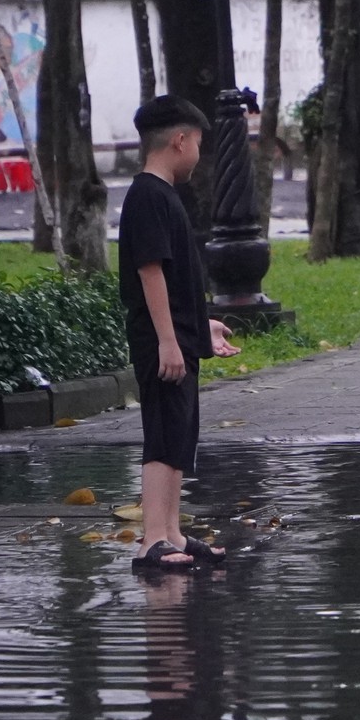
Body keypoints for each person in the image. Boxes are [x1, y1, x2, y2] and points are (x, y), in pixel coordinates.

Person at [122, 95, 241, 572]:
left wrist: (198, 323)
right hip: (160, 342)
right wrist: (168, 340)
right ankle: (152, 538)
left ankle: (171, 531)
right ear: (180, 140)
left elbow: (175, 280)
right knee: (163, 434)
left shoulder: (163, 195)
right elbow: (149, 272)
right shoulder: (149, 196)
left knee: (180, 436)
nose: (199, 153)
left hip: (176, 336)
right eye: (198, 143)